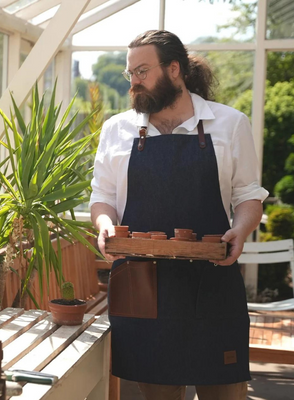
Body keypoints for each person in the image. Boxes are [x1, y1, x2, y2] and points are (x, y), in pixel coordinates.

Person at [89, 30, 269, 400]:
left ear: (174, 70)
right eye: (130, 74)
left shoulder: (230, 124)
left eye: (142, 71)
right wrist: (105, 226)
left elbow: (249, 196)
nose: (134, 82)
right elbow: (103, 196)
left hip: (213, 285)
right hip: (142, 289)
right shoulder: (117, 130)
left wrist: (241, 230)